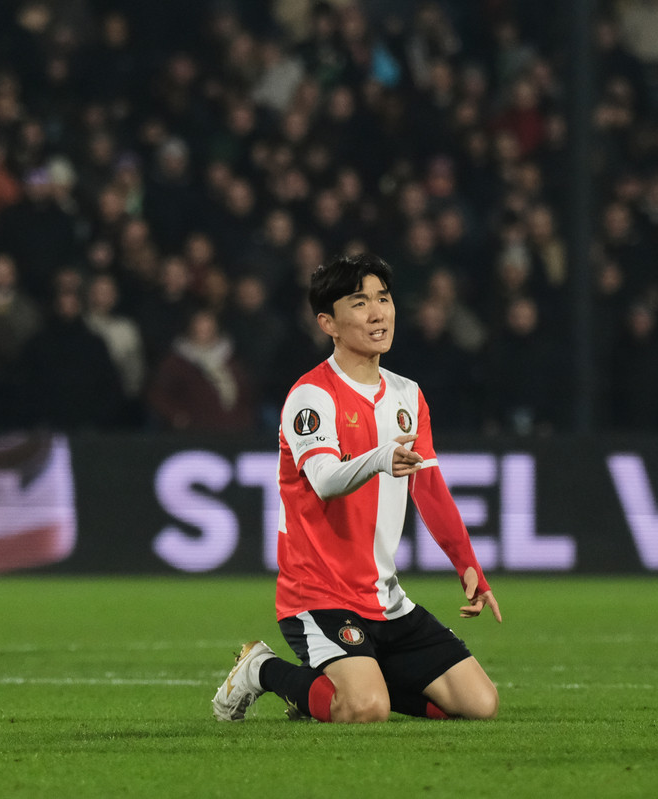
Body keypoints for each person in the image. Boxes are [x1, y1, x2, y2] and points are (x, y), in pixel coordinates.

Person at [211, 253, 501, 724]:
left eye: (383, 299)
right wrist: (381, 457)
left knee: (479, 705)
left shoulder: (408, 394)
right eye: (360, 302)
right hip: (318, 594)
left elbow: (429, 487)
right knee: (366, 709)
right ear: (328, 322)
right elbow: (324, 480)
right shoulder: (312, 395)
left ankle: (348, 681)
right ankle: (261, 669)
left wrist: (467, 563)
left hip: (386, 599)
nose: (377, 313)